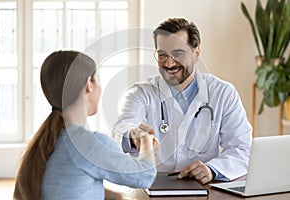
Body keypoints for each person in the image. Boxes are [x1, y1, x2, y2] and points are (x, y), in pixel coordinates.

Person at [112, 18, 252, 184]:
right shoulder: (141, 93)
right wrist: (133, 135)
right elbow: (121, 127)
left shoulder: (223, 93)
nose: (169, 63)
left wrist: (212, 170)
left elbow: (242, 149)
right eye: (162, 55)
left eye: (177, 54)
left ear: (196, 52)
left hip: (203, 187)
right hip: (151, 185)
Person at [13, 50, 157, 200]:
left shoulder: (53, 139)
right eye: (98, 79)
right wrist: (145, 139)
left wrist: (113, 196)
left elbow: (69, 184)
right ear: (89, 84)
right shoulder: (87, 143)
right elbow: (144, 176)